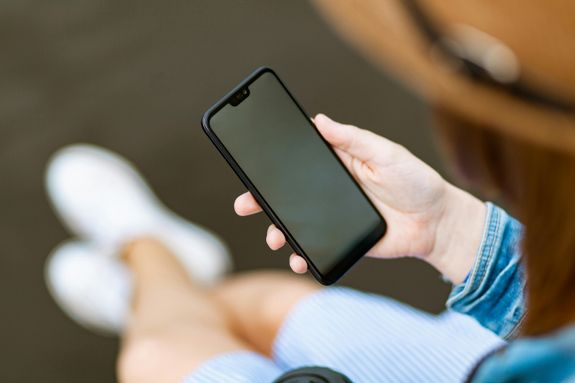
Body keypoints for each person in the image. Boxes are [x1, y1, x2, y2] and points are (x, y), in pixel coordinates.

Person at [44, 0, 575, 382]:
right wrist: (448, 229)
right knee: (267, 306)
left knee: (154, 357)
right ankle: (166, 287)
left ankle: (146, 256)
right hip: (502, 357)